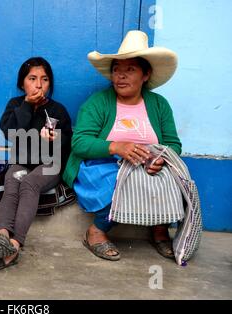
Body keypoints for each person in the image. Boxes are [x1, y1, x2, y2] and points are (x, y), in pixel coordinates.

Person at [63, 30, 182, 261]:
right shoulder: (98, 102)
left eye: (130, 70)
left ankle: (159, 230)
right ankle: (96, 231)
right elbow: (79, 142)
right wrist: (116, 147)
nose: (121, 76)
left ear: (145, 75)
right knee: (119, 184)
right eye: (117, 70)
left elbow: (173, 145)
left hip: (146, 165)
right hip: (102, 165)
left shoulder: (159, 105)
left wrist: (159, 159)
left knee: (172, 178)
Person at [0, 57, 73, 272]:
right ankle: (1, 234)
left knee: (29, 183)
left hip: (50, 164)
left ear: (50, 84)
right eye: (32, 79)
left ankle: (14, 245)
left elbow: (68, 140)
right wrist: (27, 105)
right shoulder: (16, 106)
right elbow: (10, 131)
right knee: (12, 180)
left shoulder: (57, 110)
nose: (39, 85)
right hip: (23, 162)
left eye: (45, 79)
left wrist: (54, 139)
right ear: (22, 84)